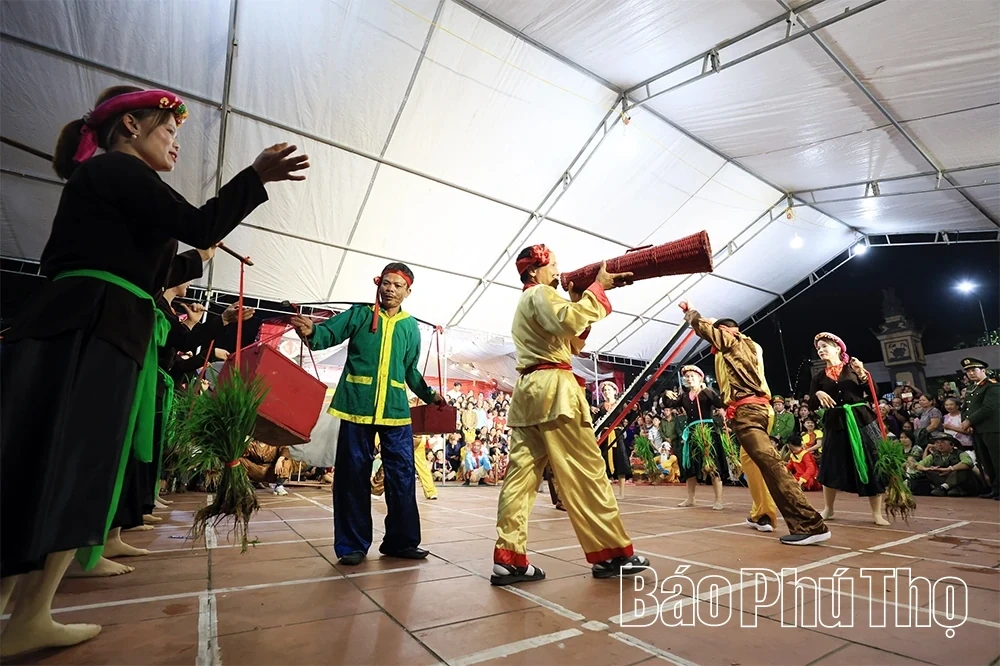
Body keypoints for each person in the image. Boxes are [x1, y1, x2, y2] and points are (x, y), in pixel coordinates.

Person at [0, 86, 307, 657]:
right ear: (131, 126)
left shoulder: (116, 189)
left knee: (75, 464)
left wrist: (205, 257)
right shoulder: (114, 170)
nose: (176, 144)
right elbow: (197, 223)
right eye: (169, 131)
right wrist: (256, 176)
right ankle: (16, 610)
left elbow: (176, 254)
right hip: (87, 327)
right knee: (49, 461)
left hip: (106, 329)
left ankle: (30, 612)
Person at [492, 245, 648, 585]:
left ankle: (509, 557)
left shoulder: (527, 302)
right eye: (553, 265)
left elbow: (571, 339)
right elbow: (570, 320)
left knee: (521, 480)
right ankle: (611, 554)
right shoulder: (541, 295)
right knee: (585, 471)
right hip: (555, 391)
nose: (558, 272)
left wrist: (579, 297)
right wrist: (598, 289)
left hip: (529, 393)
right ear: (534, 271)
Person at [290, 262, 443, 566]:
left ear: (408, 292)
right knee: (351, 476)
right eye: (386, 283)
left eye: (397, 286)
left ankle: (401, 542)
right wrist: (312, 332)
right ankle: (352, 545)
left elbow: (410, 370)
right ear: (378, 284)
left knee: (401, 477)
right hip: (355, 405)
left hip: (396, 412)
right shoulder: (359, 314)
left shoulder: (411, 328)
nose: (390, 289)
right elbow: (327, 333)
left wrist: (430, 395)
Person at [679, 301, 829, 545]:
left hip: (748, 412)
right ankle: (761, 512)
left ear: (725, 332)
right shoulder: (751, 344)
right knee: (751, 463)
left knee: (771, 465)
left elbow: (714, 333)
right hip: (757, 410)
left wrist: (693, 316)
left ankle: (809, 524)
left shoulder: (732, 342)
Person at [810, 333, 890, 526]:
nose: (821, 350)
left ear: (838, 348)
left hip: (861, 419)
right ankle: (828, 509)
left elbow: (873, 394)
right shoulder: (819, 376)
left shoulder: (853, 368)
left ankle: (877, 513)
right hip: (835, 422)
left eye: (824, 346)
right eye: (818, 348)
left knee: (871, 462)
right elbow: (812, 401)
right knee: (830, 465)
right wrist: (819, 392)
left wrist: (862, 373)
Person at [662, 366, 726, 511]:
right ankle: (691, 498)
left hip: (707, 431)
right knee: (690, 465)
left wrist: (708, 390)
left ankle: (718, 500)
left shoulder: (706, 393)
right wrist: (666, 394)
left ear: (700, 378)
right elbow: (668, 404)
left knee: (712, 464)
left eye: (692, 376)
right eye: (687, 377)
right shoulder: (684, 396)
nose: (689, 379)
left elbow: (719, 403)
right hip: (691, 431)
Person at [960, 357, 999, 500]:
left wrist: (970, 421)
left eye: (973, 370)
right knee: (985, 461)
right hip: (977, 430)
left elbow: (988, 408)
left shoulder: (992, 386)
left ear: (983, 370)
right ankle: (995, 489)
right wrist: (966, 421)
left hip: (992, 429)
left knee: (997, 460)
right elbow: (965, 408)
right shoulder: (971, 388)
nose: (970, 373)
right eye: (968, 371)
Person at [911, 433, 982, 497]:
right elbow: (918, 464)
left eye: (943, 442)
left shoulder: (960, 453)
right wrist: (925, 468)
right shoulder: (934, 455)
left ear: (952, 445)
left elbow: (968, 462)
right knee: (928, 471)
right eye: (937, 443)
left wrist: (949, 469)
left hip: (962, 484)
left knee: (961, 469)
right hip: (942, 481)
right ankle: (944, 488)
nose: (940, 445)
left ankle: (944, 487)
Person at [595, 381, 631, 498]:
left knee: (620, 460)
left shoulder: (621, 404)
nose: (607, 392)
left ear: (615, 391)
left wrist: (634, 408)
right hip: (605, 435)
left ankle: (621, 493)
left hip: (617, 434)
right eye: (605, 390)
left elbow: (630, 415)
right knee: (603, 461)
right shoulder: (600, 406)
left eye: (609, 390)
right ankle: (606, 492)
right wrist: (591, 410)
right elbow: (593, 419)